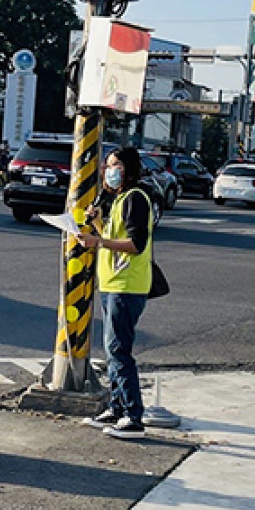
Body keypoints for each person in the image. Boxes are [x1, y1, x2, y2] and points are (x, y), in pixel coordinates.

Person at [80, 147, 154, 440]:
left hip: (127, 285)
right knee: (112, 349)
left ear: (129, 169)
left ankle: (133, 415)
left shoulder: (136, 198)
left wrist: (96, 241)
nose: (110, 171)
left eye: (116, 166)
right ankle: (117, 407)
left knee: (119, 350)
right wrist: (97, 223)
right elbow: (113, 238)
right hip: (113, 283)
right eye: (108, 166)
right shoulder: (119, 200)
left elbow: (135, 243)